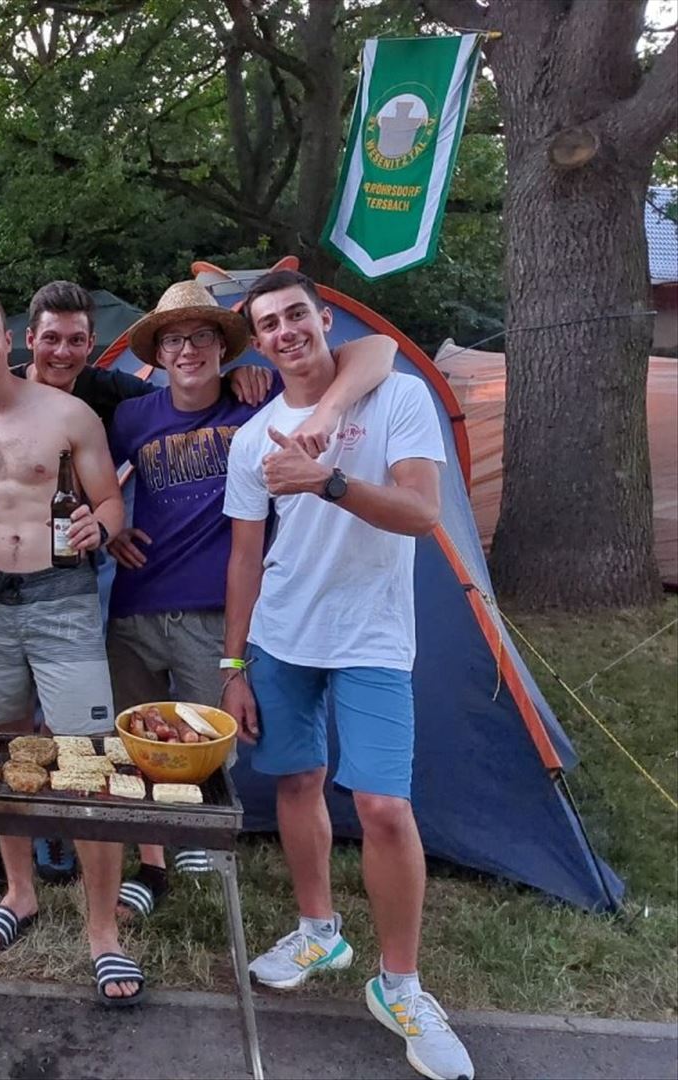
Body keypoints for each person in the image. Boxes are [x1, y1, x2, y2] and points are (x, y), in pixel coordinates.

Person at [221, 270, 472, 1080]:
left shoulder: (397, 398)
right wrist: (234, 664)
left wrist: (328, 480)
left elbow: (422, 514)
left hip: (373, 636)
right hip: (283, 634)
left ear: (324, 319)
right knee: (296, 780)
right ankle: (318, 931)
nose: (286, 331)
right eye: (270, 324)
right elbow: (245, 557)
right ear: (258, 343)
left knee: (384, 807)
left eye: (296, 314)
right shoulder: (253, 438)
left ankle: (400, 986)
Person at [106, 279, 395, 920]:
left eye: (201, 337)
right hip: (136, 606)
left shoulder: (257, 403)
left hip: (215, 610)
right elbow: (88, 469)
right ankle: (152, 863)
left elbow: (377, 350)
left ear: (225, 348)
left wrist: (314, 409)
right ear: (157, 353)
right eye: (173, 341)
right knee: (137, 739)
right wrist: (110, 521)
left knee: (206, 742)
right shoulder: (133, 417)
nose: (187, 351)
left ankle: (193, 837)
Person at [0, 287, 144, 1006]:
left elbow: (110, 502)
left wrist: (99, 526)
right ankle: (19, 891)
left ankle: (103, 931)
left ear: (9, 338)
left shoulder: (68, 414)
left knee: (88, 762)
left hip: (64, 600)